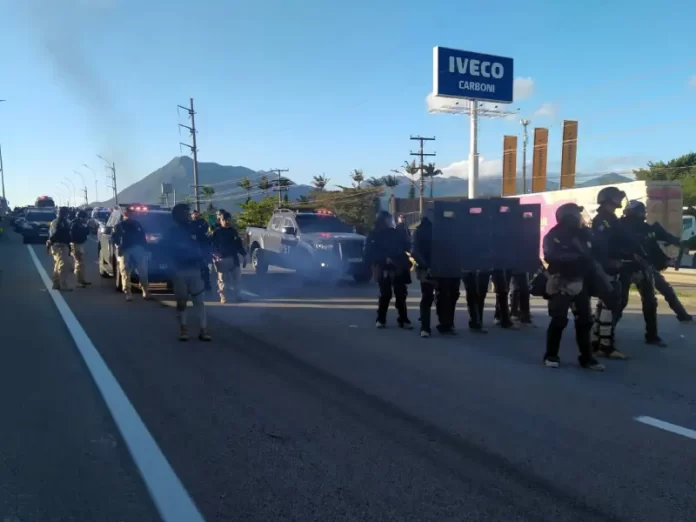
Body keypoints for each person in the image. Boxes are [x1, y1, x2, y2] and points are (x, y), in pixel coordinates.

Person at [543, 203, 605, 371]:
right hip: (561, 281)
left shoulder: (584, 234)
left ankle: (587, 358)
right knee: (559, 320)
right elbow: (550, 255)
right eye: (577, 216)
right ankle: (551, 355)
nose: (580, 219)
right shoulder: (554, 235)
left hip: (581, 281)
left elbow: (596, 250)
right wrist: (575, 257)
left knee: (585, 321)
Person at [619, 200, 667, 346]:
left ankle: (652, 335)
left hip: (642, 268)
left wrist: (663, 260)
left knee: (650, 302)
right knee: (619, 302)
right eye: (641, 211)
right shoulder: (620, 227)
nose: (643, 214)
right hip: (625, 268)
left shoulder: (645, 228)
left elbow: (652, 246)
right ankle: (603, 334)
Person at [590, 186, 629, 359]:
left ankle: (597, 340)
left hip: (609, 265)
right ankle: (605, 345)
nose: (619, 200)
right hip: (605, 266)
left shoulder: (610, 218)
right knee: (609, 304)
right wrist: (609, 262)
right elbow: (602, 245)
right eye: (617, 197)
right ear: (609, 199)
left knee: (604, 304)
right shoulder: (603, 220)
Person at [165, 203, 211, 341]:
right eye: (185, 212)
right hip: (179, 270)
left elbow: (205, 244)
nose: (188, 214)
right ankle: (183, 329)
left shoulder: (196, 228)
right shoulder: (172, 231)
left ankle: (203, 329)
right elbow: (166, 251)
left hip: (195, 269)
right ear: (178, 215)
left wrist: (206, 261)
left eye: (188, 212)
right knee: (181, 301)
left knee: (199, 300)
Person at [364, 210, 413, 329]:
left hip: (398, 266)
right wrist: (383, 259)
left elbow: (406, 245)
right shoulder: (374, 234)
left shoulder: (396, 233)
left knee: (401, 294)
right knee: (385, 294)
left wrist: (404, 228)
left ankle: (403, 319)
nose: (389, 222)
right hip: (382, 267)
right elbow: (369, 253)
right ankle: (381, 319)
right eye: (387, 219)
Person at [111, 206, 151, 301]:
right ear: (124, 214)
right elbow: (114, 238)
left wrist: (146, 249)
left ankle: (145, 290)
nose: (130, 215)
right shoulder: (119, 226)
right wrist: (118, 246)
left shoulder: (137, 224)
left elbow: (143, 238)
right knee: (125, 272)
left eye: (132, 213)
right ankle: (127, 292)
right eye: (128, 213)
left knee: (143, 271)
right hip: (125, 250)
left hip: (138, 250)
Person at [210, 211, 247, 303]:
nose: (226, 221)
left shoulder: (233, 231)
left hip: (234, 258)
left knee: (237, 279)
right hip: (222, 258)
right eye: (224, 220)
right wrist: (215, 255)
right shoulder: (217, 232)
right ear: (220, 220)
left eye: (227, 220)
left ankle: (237, 296)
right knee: (223, 280)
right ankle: (223, 297)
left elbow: (239, 245)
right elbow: (210, 245)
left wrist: (244, 255)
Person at [47, 206, 75, 291]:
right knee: (64, 265)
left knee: (58, 264)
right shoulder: (60, 222)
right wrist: (51, 241)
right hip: (60, 245)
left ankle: (56, 284)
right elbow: (56, 233)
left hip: (58, 244)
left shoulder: (57, 221)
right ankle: (63, 284)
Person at [191, 209, 213, 291]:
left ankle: (206, 284)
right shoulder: (190, 223)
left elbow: (206, 229)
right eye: (194, 214)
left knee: (205, 267)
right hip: (193, 248)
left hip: (203, 246)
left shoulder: (202, 222)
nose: (195, 215)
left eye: (197, 214)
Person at [70, 210, 92, 288]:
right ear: (81, 217)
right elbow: (77, 235)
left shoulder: (79, 224)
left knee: (81, 263)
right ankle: (78, 281)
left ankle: (82, 279)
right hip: (76, 244)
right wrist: (87, 228)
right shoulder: (75, 224)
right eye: (85, 217)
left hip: (79, 244)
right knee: (79, 263)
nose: (86, 219)